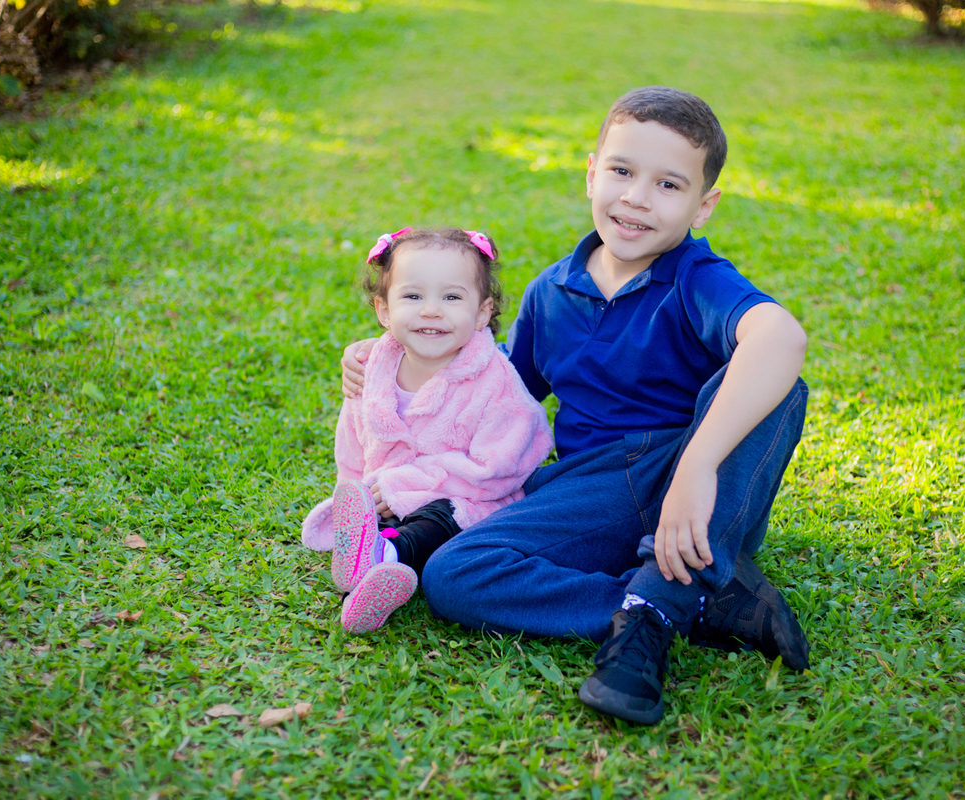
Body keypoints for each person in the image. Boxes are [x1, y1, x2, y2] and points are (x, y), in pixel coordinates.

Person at [342, 87, 810, 725]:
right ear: (591, 172)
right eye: (621, 171)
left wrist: (697, 469)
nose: (637, 197)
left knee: (778, 385)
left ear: (704, 207)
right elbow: (493, 393)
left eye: (668, 185)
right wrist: (391, 363)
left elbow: (782, 337)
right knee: (455, 573)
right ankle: (692, 601)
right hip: (590, 489)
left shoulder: (697, 280)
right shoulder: (551, 291)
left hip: (700, 494)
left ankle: (646, 623)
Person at [304, 227, 553, 634]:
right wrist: (358, 493)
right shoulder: (374, 371)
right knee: (386, 520)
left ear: (482, 312)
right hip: (388, 503)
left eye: (451, 297)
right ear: (384, 310)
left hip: (466, 501)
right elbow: (353, 444)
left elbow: (499, 467)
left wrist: (404, 483)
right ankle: (368, 556)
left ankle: (386, 556)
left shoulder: (495, 383)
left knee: (440, 521)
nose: (431, 310)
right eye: (413, 296)